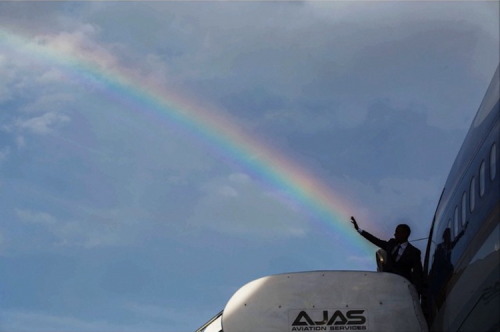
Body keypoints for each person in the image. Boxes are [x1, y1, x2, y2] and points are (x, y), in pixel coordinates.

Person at [350, 216, 423, 293]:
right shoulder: (391, 244)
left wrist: (417, 292)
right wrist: (359, 229)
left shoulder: (414, 252)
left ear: (405, 234)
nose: (394, 234)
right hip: (387, 284)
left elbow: (418, 274)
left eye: (397, 232)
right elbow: (376, 240)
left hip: (402, 288)